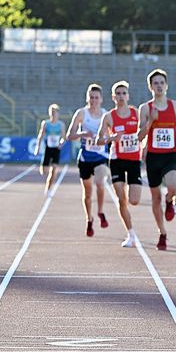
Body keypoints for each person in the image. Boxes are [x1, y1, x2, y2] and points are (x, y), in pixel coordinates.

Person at [137, 69, 176, 251]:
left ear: (166, 86)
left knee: (173, 185)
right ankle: (162, 233)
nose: (159, 86)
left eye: (161, 83)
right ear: (150, 87)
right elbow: (139, 137)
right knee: (155, 199)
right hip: (153, 158)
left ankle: (170, 201)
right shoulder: (145, 108)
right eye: (155, 83)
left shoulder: (175, 107)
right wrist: (150, 122)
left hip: (170, 155)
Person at [96, 80, 142, 247]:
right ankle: (130, 234)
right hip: (116, 160)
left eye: (124, 93)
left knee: (134, 200)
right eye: (118, 94)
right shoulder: (108, 117)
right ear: (113, 97)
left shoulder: (135, 113)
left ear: (128, 96)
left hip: (134, 160)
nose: (121, 96)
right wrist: (111, 138)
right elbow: (98, 140)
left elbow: (144, 131)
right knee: (121, 199)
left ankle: (130, 230)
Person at [66, 83, 110, 237]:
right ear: (87, 98)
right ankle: (89, 218)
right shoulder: (81, 113)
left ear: (101, 99)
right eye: (91, 97)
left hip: (101, 157)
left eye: (96, 97)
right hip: (85, 158)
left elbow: (111, 137)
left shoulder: (106, 114)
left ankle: (100, 211)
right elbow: (69, 136)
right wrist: (83, 134)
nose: (94, 100)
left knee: (100, 182)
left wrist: (105, 138)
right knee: (87, 193)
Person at [34, 103, 66, 198]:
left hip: (56, 149)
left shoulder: (61, 124)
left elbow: (64, 137)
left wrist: (61, 144)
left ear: (58, 113)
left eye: (54, 112)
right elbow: (40, 135)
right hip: (48, 148)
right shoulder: (45, 123)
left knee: (54, 170)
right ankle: (43, 165)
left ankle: (48, 189)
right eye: (51, 112)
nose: (53, 114)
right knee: (44, 171)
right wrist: (38, 147)